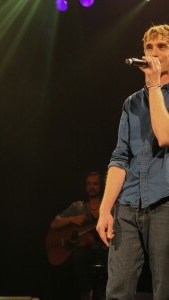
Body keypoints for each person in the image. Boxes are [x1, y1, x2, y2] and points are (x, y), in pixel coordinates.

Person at [96, 24, 169, 299]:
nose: (154, 53)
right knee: (117, 290)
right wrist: (105, 210)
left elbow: (164, 137)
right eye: (149, 48)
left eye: (162, 47)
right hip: (127, 207)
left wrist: (154, 86)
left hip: (165, 204)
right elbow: (120, 158)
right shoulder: (131, 104)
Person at [49, 171, 107, 300]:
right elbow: (54, 224)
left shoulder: (108, 206)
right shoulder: (78, 206)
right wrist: (71, 219)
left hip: (104, 250)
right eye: (89, 184)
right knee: (75, 254)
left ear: (101, 186)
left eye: (95, 184)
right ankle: (86, 292)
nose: (92, 187)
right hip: (84, 254)